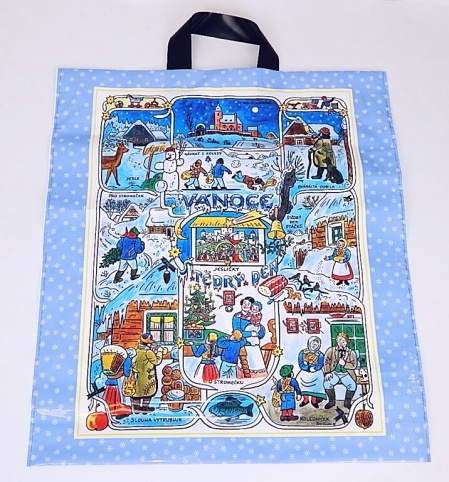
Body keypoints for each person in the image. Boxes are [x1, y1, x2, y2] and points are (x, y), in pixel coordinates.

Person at [131, 334, 165, 413]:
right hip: (146, 376)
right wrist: (160, 352)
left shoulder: (137, 350)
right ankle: (145, 408)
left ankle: (136, 409)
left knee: (137, 392)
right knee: (147, 392)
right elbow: (157, 361)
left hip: (137, 375)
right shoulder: (148, 352)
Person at [323, 332, 358, 409]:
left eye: (343, 341)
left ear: (347, 342)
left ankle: (347, 403)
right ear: (337, 341)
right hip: (334, 372)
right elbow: (326, 361)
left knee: (352, 385)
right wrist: (327, 372)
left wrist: (345, 364)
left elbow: (354, 365)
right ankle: (331, 402)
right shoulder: (331, 350)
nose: (341, 343)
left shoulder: (351, 353)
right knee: (327, 383)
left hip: (346, 373)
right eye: (339, 341)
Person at [100, 344, 132, 419]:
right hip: (117, 381)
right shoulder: (126, 358)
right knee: (117, 396)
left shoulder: (108, 356)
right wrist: (127, 375)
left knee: (109, 395)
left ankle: (108, 408)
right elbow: (127, 370)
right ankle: (116, 410)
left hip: (109, 380)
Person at [297, 336, 326, 408]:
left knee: (318, 382)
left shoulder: (320, 354)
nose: (314, 346)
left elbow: (320, 364)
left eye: (316, 345)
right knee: (301, 381)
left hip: (316, 372)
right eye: (312, 344)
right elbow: (301, 364)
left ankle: (314, 400)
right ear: (309, 344)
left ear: (318, 345)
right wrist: (308, 368)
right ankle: (305, 399)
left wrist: (315, 368)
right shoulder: (302, 353)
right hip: (305, 371)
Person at [242, 301, 267, 377]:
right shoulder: (250, 314)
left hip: (255, 327)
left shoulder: (257, 315)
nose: (254, 309)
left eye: (256, 308)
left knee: (255, 353)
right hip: (250, 331)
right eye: (253, 307)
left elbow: (256, 321)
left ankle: (258, 371)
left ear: (259, 309)